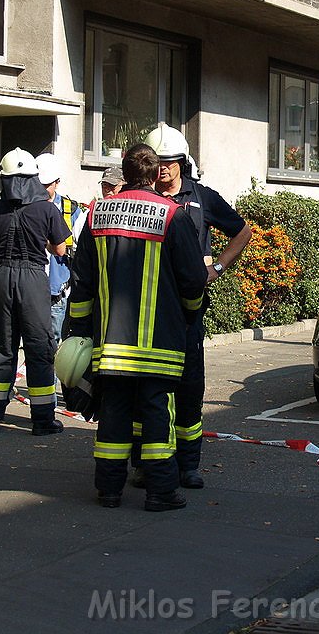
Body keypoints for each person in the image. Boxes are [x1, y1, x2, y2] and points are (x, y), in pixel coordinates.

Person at [66, 143, 207, 511]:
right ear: (153, 172)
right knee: (157, 414)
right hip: (160, 342)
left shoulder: (97, 213)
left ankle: (109, 490)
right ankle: (160, 492)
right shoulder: (171, 214)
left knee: (113, 413)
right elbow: (193, 281)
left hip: (111, 342)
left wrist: (79, 330)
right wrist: (190, 314)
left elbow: (82, 280)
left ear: (125, 173)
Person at [137, 122, 252, 489]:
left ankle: (188, 465)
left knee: (189, 388)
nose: (163, 169)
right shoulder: (140, 200)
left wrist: (217, 267)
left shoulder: (201, 197)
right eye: (158, 162)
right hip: (147, 308)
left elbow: (243, 231)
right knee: (148, 388)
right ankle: (146, 462)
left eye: (170, 162)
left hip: (188, 309)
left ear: (182, 162)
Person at [0, 147, 71, 435]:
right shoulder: (46, 208)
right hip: (33, 279)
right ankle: (42, 420)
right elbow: (61, 248)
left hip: (2, 276)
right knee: (39, 348)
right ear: (33, 178)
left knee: (1, 347)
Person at [36, 152, 85, 343]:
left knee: (55, 341)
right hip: (32, 287)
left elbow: (82, 248)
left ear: (57, 182)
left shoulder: (70, 210)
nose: (41, 190)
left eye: (46, 185)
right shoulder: (26, 207)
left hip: (58, 290)